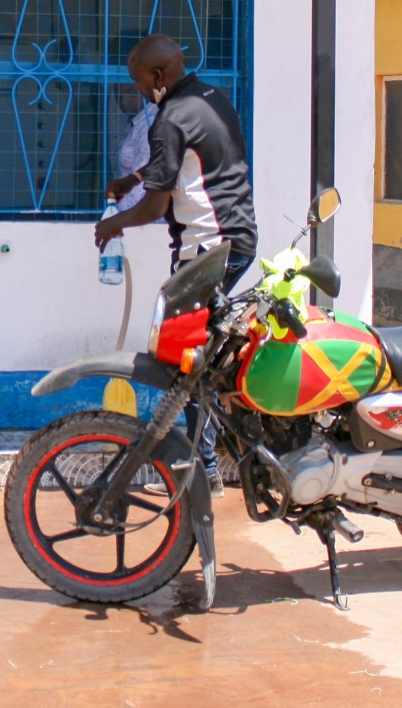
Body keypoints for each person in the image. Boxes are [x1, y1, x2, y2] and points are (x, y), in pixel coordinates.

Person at [94, 34, 257, 496]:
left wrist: (114, 226)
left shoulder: (167, 119)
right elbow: (185, 158)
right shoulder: (209, 97)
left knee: (189, 361)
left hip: (208, 249)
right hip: (235, 238)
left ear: (158, 76)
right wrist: (135, 177)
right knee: (198, 357)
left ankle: (201, 470)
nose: (139, 89)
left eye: (140, 80)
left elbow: (152, 207)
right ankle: (204, 462)